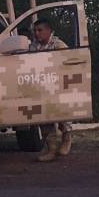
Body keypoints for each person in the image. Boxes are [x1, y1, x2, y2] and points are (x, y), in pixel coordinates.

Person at [29, 19, 73, 162]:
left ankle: (66, 139)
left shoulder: (59, 45)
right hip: (41, 86)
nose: (37, 33)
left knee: (62, 115)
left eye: (40, 30)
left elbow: (68, 63)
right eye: (35, 31)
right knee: (44, 117)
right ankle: (51, 148)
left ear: (49, 30)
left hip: (57, 85)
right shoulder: (33, 47)